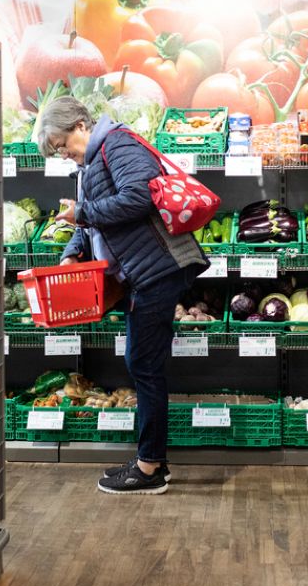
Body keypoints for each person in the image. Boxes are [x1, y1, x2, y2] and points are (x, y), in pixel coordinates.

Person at [37, 97, 208, 494]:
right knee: (142, 363)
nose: (64, 154)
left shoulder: (118, 143)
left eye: (63, 144)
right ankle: (150, 460)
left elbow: (140, 196)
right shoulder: (89, 165)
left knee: (143, 365)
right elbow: (90, 221)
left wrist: (83, 213)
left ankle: (149, 469)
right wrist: (69, 255)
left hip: (158, 269)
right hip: (137, 275)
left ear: (81, 125)